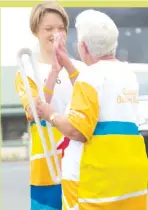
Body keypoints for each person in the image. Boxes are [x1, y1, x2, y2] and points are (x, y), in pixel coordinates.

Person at [35, 10, 148, 210]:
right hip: (130, 182)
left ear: (83, 46)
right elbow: (96, 96)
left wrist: (49, 113)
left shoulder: (91, 77)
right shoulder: (127, 74)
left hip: (95, 184)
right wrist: (68, 64)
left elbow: (76, 130)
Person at [15, 2, 86, 210]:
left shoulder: (79, 68)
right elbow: (34, 112)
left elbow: (89, 107)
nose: (56, 34)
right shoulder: (25, 71)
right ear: (35, 31)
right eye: (49, 29)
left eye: (60, 28)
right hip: (46, 169)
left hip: (81, 166)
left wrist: (66, 66)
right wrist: (54, 70)